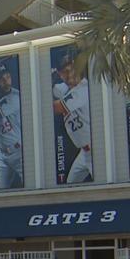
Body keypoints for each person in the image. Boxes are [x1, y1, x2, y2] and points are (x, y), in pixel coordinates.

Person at [51, 54, 93, 184]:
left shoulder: (84, 88)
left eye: (72, 69)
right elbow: (56, 89)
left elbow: (56, 108)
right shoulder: (65, 88)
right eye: (65, 72)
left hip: (95, 151)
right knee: (69, 187)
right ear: (60, 74)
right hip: (84, 153)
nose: (70, 75)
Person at [0, 62, 24, 189]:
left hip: (19, 151)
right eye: (1, 79)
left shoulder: (16, 97)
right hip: (2, 155)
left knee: (32, 185)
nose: (6, 81)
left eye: (7, 76)